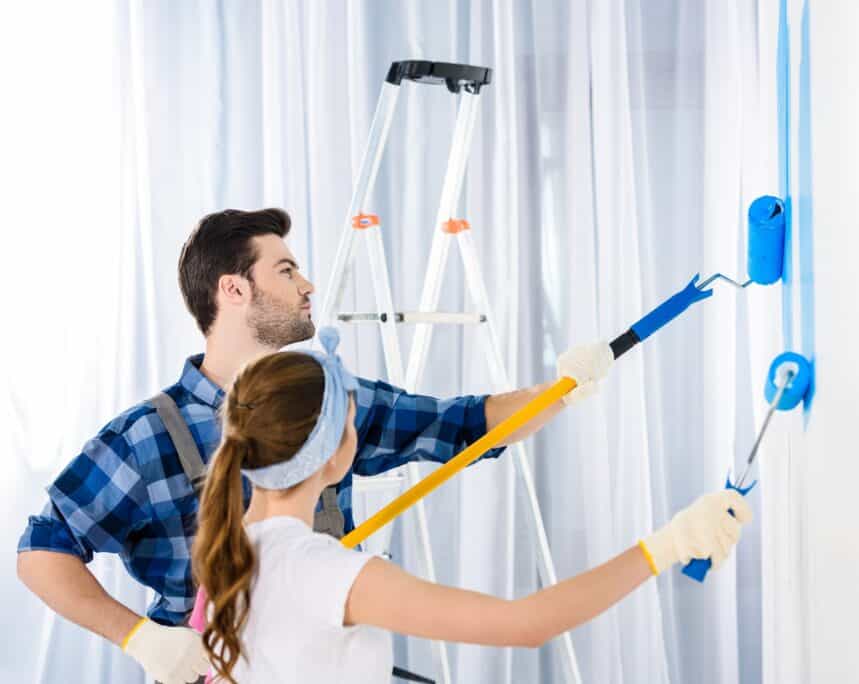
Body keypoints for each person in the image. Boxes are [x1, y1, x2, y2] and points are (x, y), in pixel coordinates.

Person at [16, 208, 615, 683]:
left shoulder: (324, 404)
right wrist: (139, 637)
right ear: (233, 289)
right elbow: (43, 550)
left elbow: (462, 425)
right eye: (285, 270)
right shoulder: (145, 439)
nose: (307, 285)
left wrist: (562, 388)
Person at [193, 328, 752, 683]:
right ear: (337, 451)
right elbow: (526, 624)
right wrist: (666, 546)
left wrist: (554, 392)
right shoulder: (327, 573)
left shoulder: (231, 552)